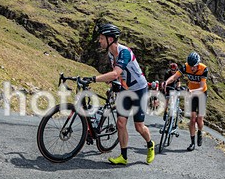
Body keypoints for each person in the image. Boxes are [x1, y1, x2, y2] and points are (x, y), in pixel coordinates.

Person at [82, 23, 155, 165]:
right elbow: (118, 75)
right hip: (126, 90)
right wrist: (112, 83)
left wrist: (94, 79)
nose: (99, 41)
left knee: (139, 127)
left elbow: (115, 73)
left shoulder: (124, 53)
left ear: (110, 39)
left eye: (102, 38)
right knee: (121, 123)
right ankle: (123, 157)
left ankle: (150, 143)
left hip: (139, 90)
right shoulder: (111, 54)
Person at [164, 52, 208, 151]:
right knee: (192, 119)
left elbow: (201, 87)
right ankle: (192, 143)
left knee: (199, 120)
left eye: (194, 66)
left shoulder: (204, 69)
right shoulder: (186, 67)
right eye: (190, 66)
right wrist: (166, 82)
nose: (192, 68)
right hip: (191, 93)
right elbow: (175, 77)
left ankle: (200, 132)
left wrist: (191, 91)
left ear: (198, 64)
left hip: (201, 93)